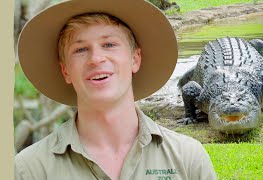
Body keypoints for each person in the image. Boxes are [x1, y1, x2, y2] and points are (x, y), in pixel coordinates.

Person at [15, 0, 217, 179]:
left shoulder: (188, 158)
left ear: (135, 59)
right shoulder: (30, 169)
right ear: (65, 70)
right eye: (80, 49)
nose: (96, 58)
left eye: (109, 44)